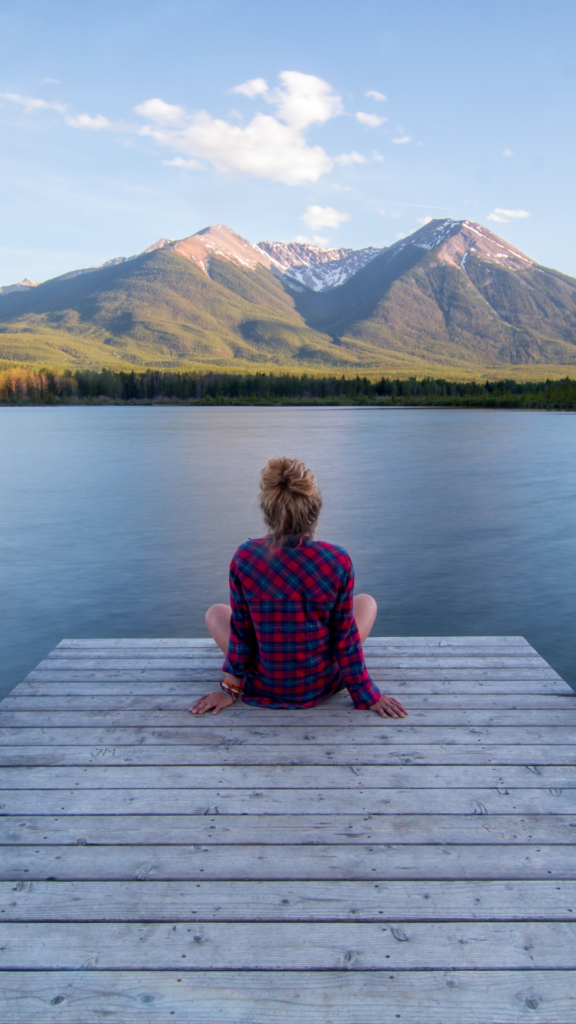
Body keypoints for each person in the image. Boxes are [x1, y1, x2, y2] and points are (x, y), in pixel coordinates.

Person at [190, 456, 408, 720]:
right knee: (367, 603)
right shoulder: (337, 560)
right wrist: (366, 694)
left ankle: (249, 678)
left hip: (263, 683)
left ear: (268, 512)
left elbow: (241, 633)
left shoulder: (244, 557)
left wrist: (230, 688)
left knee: (216, 612)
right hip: (319, 684)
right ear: (314, 510)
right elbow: (345, 637)